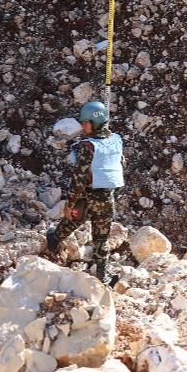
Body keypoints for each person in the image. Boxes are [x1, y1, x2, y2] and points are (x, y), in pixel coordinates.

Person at [45, 101, 123, 285]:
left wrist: (70, 203)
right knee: (101, 237)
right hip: (107, 198)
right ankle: (102, 275)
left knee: (74, 218)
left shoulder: (88, 147)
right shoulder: (116, 140)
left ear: (95, 123)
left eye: (86, 122)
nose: (82, 126)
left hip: (88, 195)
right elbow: (120, 163)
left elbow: (79, 179)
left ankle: (55, 239)